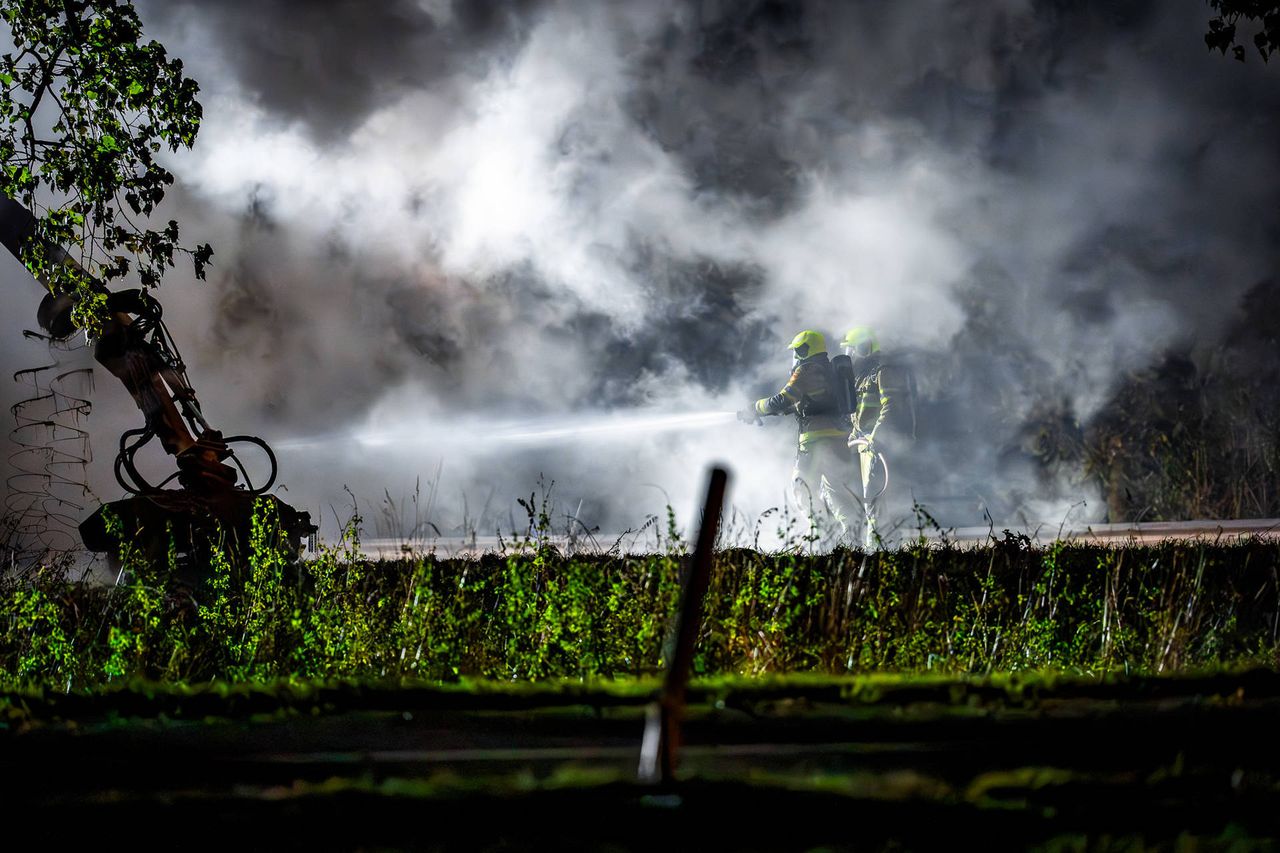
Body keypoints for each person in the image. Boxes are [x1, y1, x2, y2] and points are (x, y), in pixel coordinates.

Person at [738, 329, 857, 540]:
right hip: (838, 439)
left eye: (797, 350)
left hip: (816, 442)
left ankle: (821, 534)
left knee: (801, 485)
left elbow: (782, 399)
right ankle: (853, 536)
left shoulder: (807, 369)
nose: (795, 355)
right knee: (835, 490)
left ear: (805, 349)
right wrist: (769, 413)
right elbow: (808, 404)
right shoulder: (827, 370)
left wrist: (754, 407)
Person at [839, 326, 917, 547]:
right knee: (869, 500)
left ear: (865, 347)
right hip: (867, 444)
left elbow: (891, 406)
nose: (850, 355)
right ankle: (875, 548)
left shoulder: (885, 371)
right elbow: (862, 412)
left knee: (877, 500)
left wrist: (876, 437)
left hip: (881, 445)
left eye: (853, 349)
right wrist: (854, 435)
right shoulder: (866, 374)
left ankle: (881, 551)